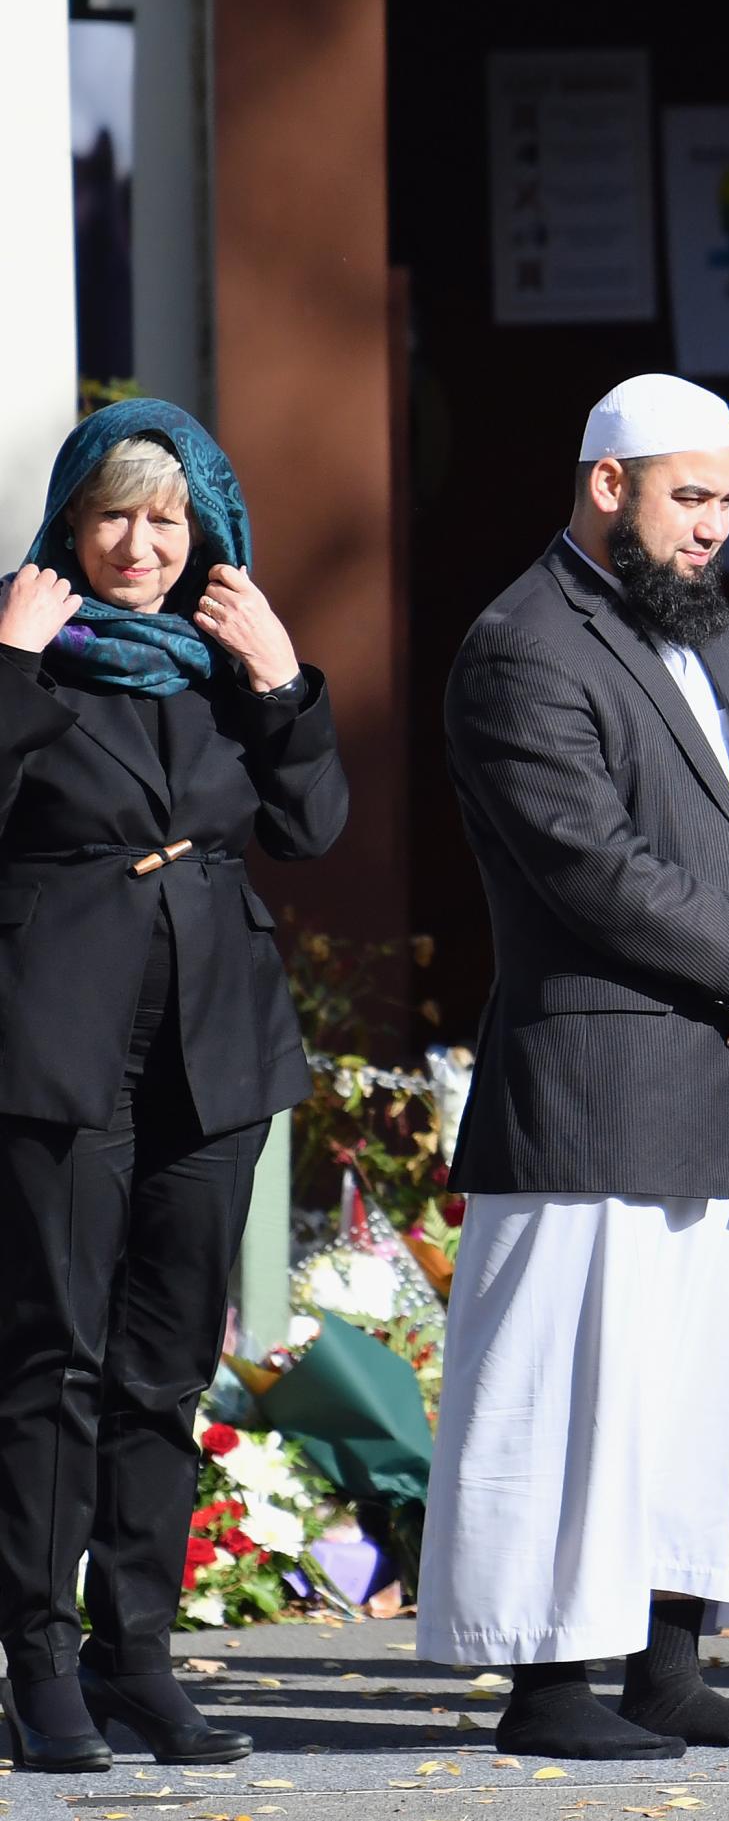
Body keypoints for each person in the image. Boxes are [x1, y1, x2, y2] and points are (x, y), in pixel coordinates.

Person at [417, 375, 729, 1761]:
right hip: (597, 1086)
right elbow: (596, 872)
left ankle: (669, 1667)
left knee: (696, 1390)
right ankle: (545, 1690)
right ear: (610, 484)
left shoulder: (719, 636)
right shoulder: (519, 645)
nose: (717, 525)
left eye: (728, 498)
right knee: (572, 1391)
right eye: (691, 497)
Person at [0, 401, 346, 1772]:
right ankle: (36, 1658)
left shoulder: (222, 657)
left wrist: (280, 681)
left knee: (162, 1363)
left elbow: (314, 828)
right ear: (72, 525)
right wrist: (10, 660)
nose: (141, 545)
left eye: (167, 518)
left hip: (214, 1044)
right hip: (57, 1039)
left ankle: (134, 1651)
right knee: (52, 1358)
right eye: (114, 516)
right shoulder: (28, 638)